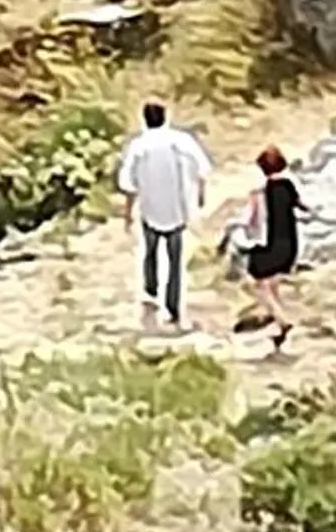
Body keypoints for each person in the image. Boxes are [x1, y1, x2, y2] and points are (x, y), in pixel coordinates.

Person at [115, 98, 214, 330]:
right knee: (175, 260)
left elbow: (128, 183)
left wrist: (128, 213)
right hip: (177, 208)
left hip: (150, 207)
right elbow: (203, 168)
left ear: (144, 120)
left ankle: (150, 289)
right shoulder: (181, 141)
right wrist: (200, 195)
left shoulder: (139, 146)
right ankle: (173, 307)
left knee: (149, 251)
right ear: (165, 117)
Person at [233, 143, 304, 350]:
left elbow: (249, 219)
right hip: (290, 242)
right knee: (273, 283)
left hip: (268, 243)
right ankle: (278, 326)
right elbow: (302, 206)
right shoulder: (289, 186)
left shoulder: (260, 192)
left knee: (257, 283)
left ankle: (282, 321)